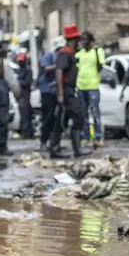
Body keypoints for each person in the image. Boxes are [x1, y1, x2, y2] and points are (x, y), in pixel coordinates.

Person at [48, 25, 85, 159]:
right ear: (74, 40)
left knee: (61, 120)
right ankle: (76, 149)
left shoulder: (70, 53)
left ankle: (55, 149)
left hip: (68, 89)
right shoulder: (65, 53)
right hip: (66, 90)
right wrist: (61, 94)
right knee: (78, 115)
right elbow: (59, 72)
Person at [75, 31, 105, 148]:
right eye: (82, 40)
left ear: (90, 40)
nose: (83, 42)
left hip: (93, 86)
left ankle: (98, 137)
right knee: (84, 114)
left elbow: (100, 66)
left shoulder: (97, 52)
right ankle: (86, 137)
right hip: (81, 86)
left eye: (85, 39)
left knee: (95, 112)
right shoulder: (79, 54)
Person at [37, 43, 59, 155]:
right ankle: (43, 141)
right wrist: (59, 66)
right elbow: (46, 69)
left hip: (55, 91)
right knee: (48, 117)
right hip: (47, 91)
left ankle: (53, 143)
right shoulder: (49, 56)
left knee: (55, 118)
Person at [16, 51, 34, 139]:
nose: (20, 63)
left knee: (25, 112)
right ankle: (26, 131)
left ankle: (27, 132)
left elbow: (27, 82)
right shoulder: (20, 70)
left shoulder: (27, 70)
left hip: (25, 93)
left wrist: (18, 82)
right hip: (21, 93)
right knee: (24, 112)